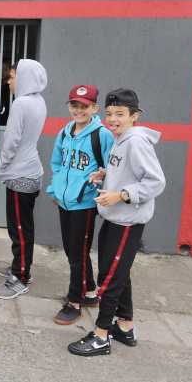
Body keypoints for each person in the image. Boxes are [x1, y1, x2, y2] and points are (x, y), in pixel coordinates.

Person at [68, 89, 165, 357]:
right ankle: (124, 328)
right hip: (114, 217)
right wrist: (105, 175)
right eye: (109, 114)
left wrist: (120, 195)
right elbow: (127, 172)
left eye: (120, 114)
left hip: (127, 221)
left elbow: (155, 181)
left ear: (134, 116)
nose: (113, 119)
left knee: (109, 279)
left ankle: (101, 337)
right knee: (118, 274)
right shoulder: (120, 138)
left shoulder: (136, 141)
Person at [47, 85, 114, 325]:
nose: (78, 110)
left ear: (94, 108)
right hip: (65, 201)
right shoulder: (64, 133)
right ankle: (89, 292)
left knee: (77, 253)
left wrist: (99, 190)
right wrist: (54, 190)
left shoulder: (101, 135)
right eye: (74, 105)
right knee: (72, 250)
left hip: (84, 203)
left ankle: (74, 302)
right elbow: (57, 164)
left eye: (84, 106)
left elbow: (111, 169)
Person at [0, 58, 48, 299]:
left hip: (20, 174)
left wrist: (3, 165)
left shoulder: (21, 103)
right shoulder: (38, 100)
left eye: (12, 77)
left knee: (19, 228)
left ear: (24, 78)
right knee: (23, 226)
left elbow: (11, 141)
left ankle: (21, 276)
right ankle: (20, 266)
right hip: (32, 170)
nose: (8, 81)